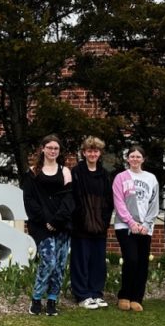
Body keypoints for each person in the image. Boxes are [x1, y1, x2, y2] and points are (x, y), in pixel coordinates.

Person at [21, 135, 74, 316]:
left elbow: (69, 199)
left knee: (59, 265)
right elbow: (29, 201)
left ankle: (52, 300)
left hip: (61, 224)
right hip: (41, 226)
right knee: (48, 261)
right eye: (50, 147)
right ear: (42, 149)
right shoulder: (32, 173)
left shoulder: (65, 171)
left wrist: (57, 221)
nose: (53, 151)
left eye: (56, 149)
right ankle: (36, 298)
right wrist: (47, 221)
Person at [112, 145, 159, 312]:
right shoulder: (121, 177)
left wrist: (146, 224)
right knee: (131, 259)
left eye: (138, 157)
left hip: (145, 228)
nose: (135, 159)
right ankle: (124, 295)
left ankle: (137, 297)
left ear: (143, 159)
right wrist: (131, 223)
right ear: (127, 159)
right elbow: (118, 203)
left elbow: (154, 203)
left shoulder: (151, 178)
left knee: (142, 262)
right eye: (132, 156)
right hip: (124, 225)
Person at [70, 136, 113, 310]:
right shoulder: (76, 172)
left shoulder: (105, 175)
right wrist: (79, 219)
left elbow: (109, 201)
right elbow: (73, 199)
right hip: (81, 226)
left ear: (99, 153)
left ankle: (96, 293)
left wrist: (103, 221)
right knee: (80, 260)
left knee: (98, 261)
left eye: (95, 151)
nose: (92, 154)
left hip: (100, 226)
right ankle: (82, 295)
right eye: (89, 151)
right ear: (84, 152)